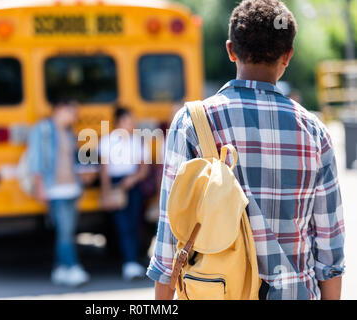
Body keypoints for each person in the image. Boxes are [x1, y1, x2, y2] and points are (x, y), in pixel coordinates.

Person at [148, 0, 345, 300]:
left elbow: (170, 234)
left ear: (230, 50)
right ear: (288, 55)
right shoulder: (315, 132)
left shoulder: (193, 122)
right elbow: (329, 252)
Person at [27, 97, 90, 287]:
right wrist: (40, 187)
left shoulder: (69, 133)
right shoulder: (43, 129)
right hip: (54, 189)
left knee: (66, 231)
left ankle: (61, 269)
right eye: (72, 113)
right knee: (65, 231)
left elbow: (75, 159)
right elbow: (36, 159)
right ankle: (73, 267)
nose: (74, 118)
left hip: (71, 187)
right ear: (61, 109)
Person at [99, 106, 150, 281]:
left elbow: (144, 169)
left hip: (132, 185)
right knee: (122, 225)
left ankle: (133, 261)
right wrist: (106, 192)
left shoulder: (137, 141)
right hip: (116, 185)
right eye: (129, 120)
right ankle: (129, 262)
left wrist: (133, 179)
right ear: (119, 122)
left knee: (135, 223)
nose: (132, 123)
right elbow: (104, 171)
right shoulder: (107, 141)